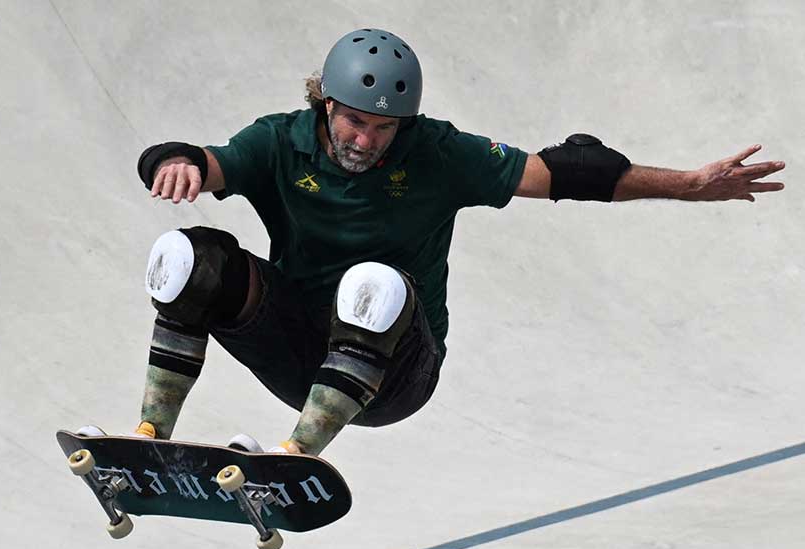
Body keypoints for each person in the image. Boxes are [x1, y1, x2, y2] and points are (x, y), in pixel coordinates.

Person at [96, 29, 785, 456]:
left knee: (374, 281)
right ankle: (151, 434)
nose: (365, 141)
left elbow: (568, 173)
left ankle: (299, 456)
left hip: (395, 373)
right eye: (355, 123)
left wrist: (690, 183)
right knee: (190, 258)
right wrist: (173, 160)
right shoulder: (280, 140)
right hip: (295, 348)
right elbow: (206, 160)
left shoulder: (440, 153)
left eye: (383, 129)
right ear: (325, 105)